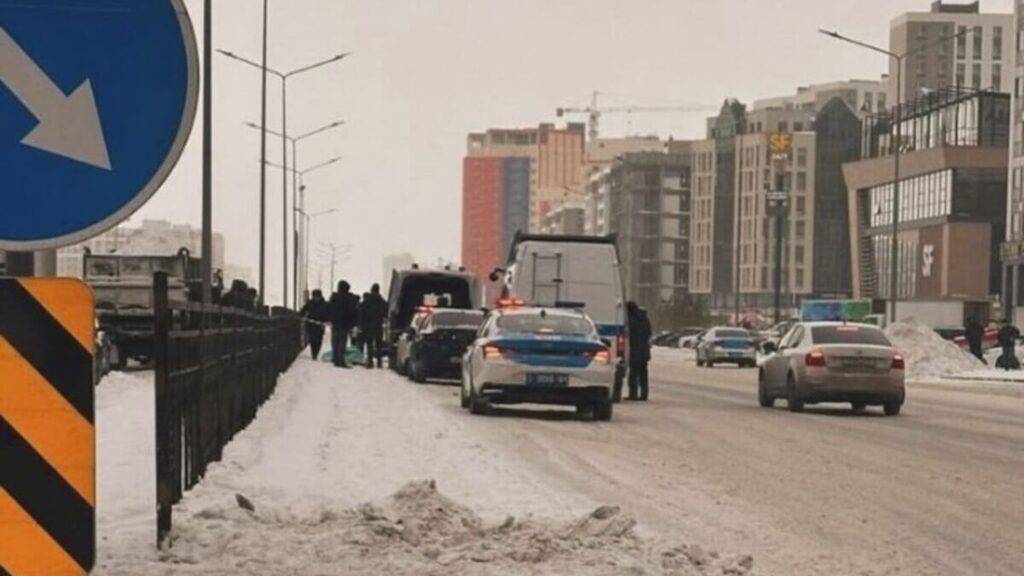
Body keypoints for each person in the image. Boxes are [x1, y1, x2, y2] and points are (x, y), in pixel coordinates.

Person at [329, 280, 360, 368]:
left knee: (335, 342)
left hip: (335, 324)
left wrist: (331, 320)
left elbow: (329, 310)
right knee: (342, 343)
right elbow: (353, 311)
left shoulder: (334, 297)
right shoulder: (349, 298)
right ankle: (340, 361)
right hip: (344, 324)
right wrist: (353, 323)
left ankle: (335, 359)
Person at [626, 301, 652, 401]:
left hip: (635, 351)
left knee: (633, 374)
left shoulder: (631, 320)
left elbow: (630, 336)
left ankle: (633, 394)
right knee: (643, 374)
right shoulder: (645, 319)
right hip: (644, 351)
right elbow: (649, 333)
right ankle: (644, 394)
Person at [359, 284, 388, 368]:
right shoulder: (381, 301)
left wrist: (361, 324)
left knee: (369, 344)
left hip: (368, 325)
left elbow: (361, 311)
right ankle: (379, 363)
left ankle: (370, 362)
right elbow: (386, 310)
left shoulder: (367, 300)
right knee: (378, 344)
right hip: (378, 325)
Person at [300, 290, 330, 360]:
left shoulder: (324, 304)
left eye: (317, 297)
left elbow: (327, 313)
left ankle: (316, 352)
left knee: (319, 339)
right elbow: (303, 310)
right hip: (311, 325)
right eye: (315, 297)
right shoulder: (310, 303)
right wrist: (302, 315)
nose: (316, 298)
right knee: (312, 340)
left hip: (320, 325)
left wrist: (326, 320)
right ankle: (314, 353)